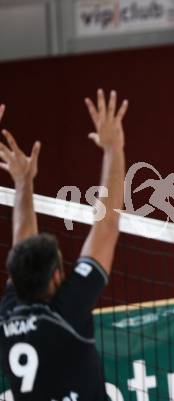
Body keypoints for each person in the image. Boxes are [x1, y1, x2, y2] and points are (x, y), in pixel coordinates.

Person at [0, 89, 128, 400]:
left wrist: (24, 184)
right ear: (57, 276)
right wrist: (113, 148)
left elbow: (23, 248)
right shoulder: (64, 312)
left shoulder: (8, 316)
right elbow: (108, 225)